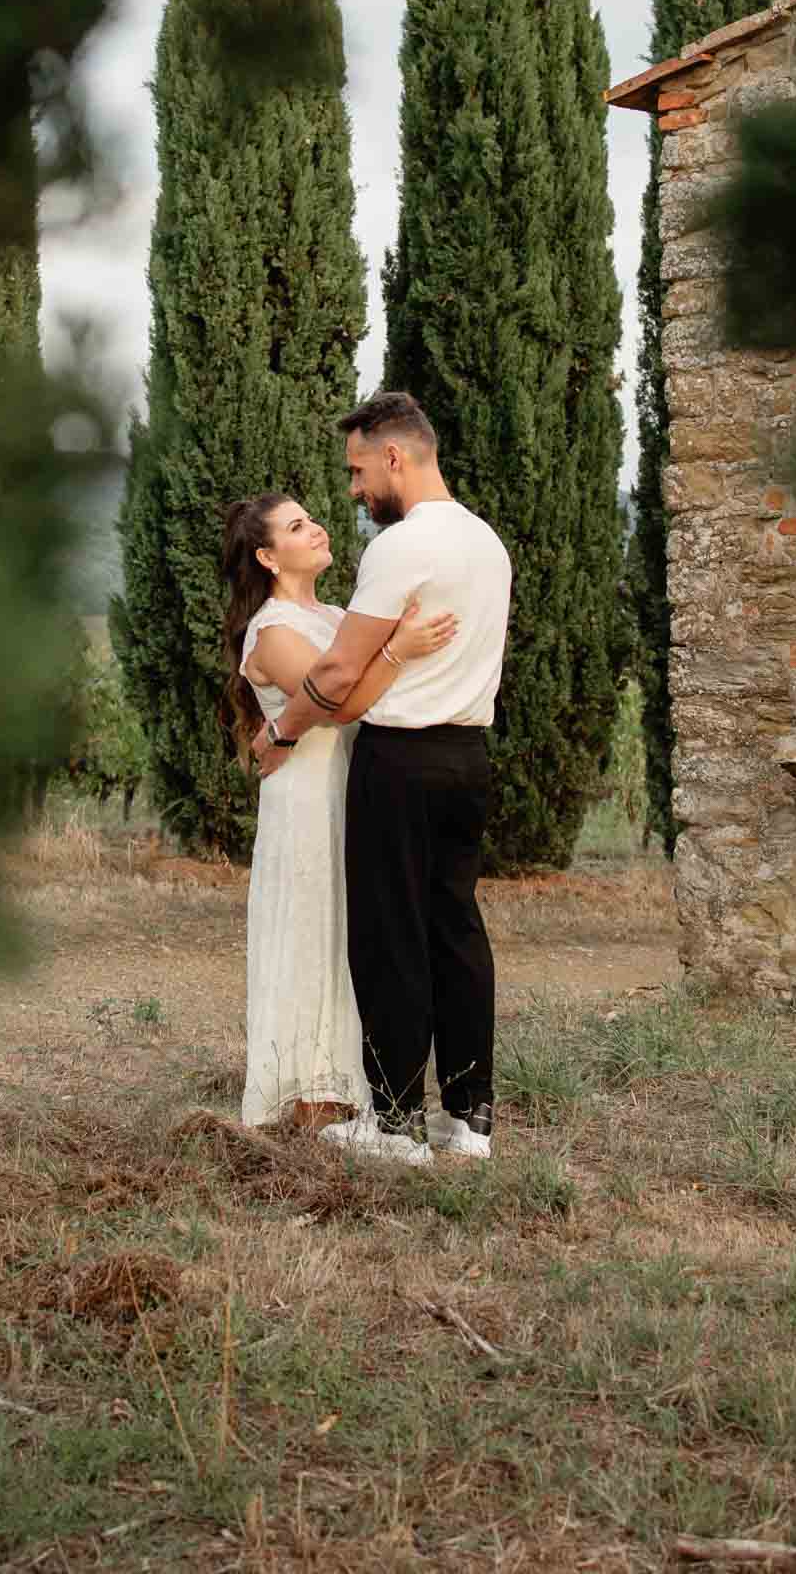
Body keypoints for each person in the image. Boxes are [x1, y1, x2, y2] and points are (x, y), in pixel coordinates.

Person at [253, 394, 512, 1167]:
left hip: (399, 760)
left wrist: (282, 729)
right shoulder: (486, 542)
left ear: (395, 457)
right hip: (469, 755)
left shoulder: (400, 549)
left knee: (390, 934)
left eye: (360, 470)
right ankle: (469, 1121)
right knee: (457, 930)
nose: (357, 489)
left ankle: (395, 1123)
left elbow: (336, 668)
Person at [220, 492, 457, 1133]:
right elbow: (342, 698)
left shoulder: (334, 613)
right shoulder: (271, 632)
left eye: (311, 517)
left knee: (358, 932)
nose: (317, 527)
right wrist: (398, 649)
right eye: (297, 527)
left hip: (356, 790)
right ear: (268, 557)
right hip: (307, 800)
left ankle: (356, 1084)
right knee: (313, 929)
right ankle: (309, 1092)